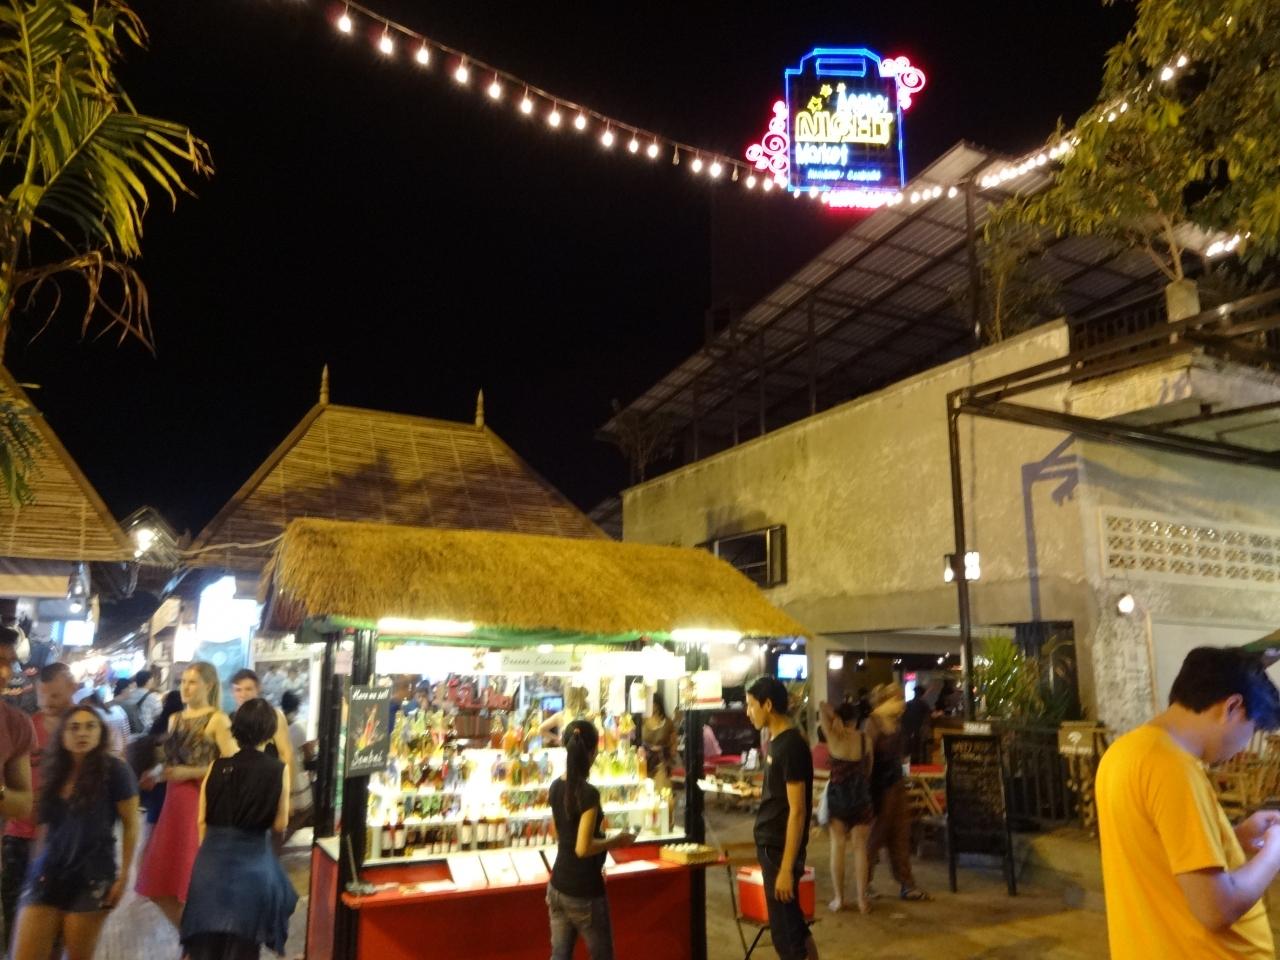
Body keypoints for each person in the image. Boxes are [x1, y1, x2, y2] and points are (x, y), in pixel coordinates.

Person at [1097, 646, 1280, 959]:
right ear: (1232, 707)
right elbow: (1215, 909)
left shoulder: (1125, 752)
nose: (1242, 747)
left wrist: (1234, 838)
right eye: (1250, 730)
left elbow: (1163, 856)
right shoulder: (1172, 768)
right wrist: (1274, 853)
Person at [11, 704, 139, 960]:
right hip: (47, 872)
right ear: (63, 735)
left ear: (101, 732)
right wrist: (34, 866)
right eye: (75, 727)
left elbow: (131, 824)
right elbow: (44, 826)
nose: (83, 733)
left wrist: (124, 877)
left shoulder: (115, 770)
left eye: (90, 727)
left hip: (92, 875)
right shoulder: (55, 769)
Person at [181, 698, 298, 960]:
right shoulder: (278, 770)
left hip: (211, 865)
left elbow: (202, 820)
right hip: (252, 866)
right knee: (244, 945)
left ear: (237, 727)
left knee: (205, 946)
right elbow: (280, 824)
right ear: (270, 732)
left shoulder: (216, 766)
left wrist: (212, 851)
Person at [135, 662, 233, 928]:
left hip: (199, 800)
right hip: (173, 800)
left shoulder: (218, 719)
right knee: (161, 885)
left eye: (192, 682)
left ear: (208, 686)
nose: (185, 688)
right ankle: (191, 937)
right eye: (183, 682)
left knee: (190, 881)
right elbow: (171, 760)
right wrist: (157, 772)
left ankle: (196, 939)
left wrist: (190, 772)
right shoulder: (175, 718)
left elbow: (232, 766)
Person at [546, 719, 635, 960]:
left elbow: (558, 834)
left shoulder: (555, 787)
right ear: (594, 752)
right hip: (584, 890)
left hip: (558, 885)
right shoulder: (588, 794)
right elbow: (582, 848)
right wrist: (616, 841)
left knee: (559, 955)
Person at [745, 677, 818, 960]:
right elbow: (781, 795)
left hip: (779, 850)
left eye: (751, 705)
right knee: (794, 926)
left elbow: (798, 811)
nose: (748, 712)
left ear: (767, 705)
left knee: (786, 937)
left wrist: (786, 868)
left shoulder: (790, 746)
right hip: (772, 847)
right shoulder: (777, 742)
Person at [1, 663, 72, 951]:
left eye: (55, 695)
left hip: (63, 837)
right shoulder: (27, 725)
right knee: (14, 908)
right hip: (18, 833)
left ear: (72, 688)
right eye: (44, 695)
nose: (48, 702)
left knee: (53, 912)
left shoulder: (85, 726)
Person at [865, 683, 928, 902]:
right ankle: (864, 883)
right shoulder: (873, 723)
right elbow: (867, 759)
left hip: (896, 784)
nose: (902, 705)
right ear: (887, 701)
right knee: (876, 835)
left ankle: (907, 884)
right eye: (898, 700)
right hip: (880, 787)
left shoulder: (896, 724)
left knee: (901, 834)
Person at [818, 700, 873, 914]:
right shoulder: (865, 739)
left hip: (838, 797)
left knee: (838, 845)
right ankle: (862, 901)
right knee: (860, 848)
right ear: (856, 720)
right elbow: (869, 769)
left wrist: (834, 718)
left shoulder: (833, 736)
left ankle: (839, 899)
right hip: (861, 797)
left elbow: (822, 706)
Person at [130, 690, 184, 840]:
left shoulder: (159, 720)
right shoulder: (178, 724)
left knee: (152, 819)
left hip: (153, 773)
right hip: (165, 775)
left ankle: (149, 847)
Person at [228, 670, 294, 778]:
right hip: (239, 780)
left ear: (257, 689)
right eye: (238, 690)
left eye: (248, 689)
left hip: (268, 778)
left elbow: (286, 753)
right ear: (232, 692)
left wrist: (287, 785)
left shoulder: (273, 716)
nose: (243, 694)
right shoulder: (230, 718)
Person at [280, 690, 314, 840]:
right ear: (297, 707)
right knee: (306, 809)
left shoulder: (278, 724)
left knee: (285, 811)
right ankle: (283, 840)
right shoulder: (298, 728)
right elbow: (308, 754)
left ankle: (281, 839)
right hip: (296, 774)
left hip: (280, 772)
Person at [641, 694, 677, 796]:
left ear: (658, 705)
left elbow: (674, 743)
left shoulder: (668, 723)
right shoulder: (643, 721)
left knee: (662, 793)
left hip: (661, 763)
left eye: (652, 704)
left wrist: (668, 754)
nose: (650, 707)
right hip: (645, 763)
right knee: (645, 794)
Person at [900, 685, 932, 765]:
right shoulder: (924, 705)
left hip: (907, 730)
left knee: (907, 751)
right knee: (917, 750)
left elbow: (902, 717)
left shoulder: (908, 703)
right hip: (918, 730)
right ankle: (916, 765)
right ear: (922, 694)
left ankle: (908, 765)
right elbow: (929, 717)